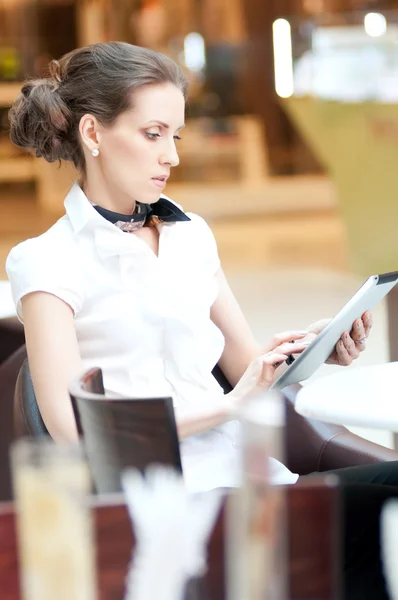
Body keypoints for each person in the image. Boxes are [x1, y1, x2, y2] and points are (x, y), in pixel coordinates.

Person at [5, 42, 396, 598]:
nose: (172, 156)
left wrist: (312, 349)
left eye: (176, 136)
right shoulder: (45, 262)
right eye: (153, 133)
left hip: (250, 475)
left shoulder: (191, 235)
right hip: (166, 505)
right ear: (92, 134)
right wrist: (228, 406)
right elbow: (73, 430)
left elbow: (246, 369)